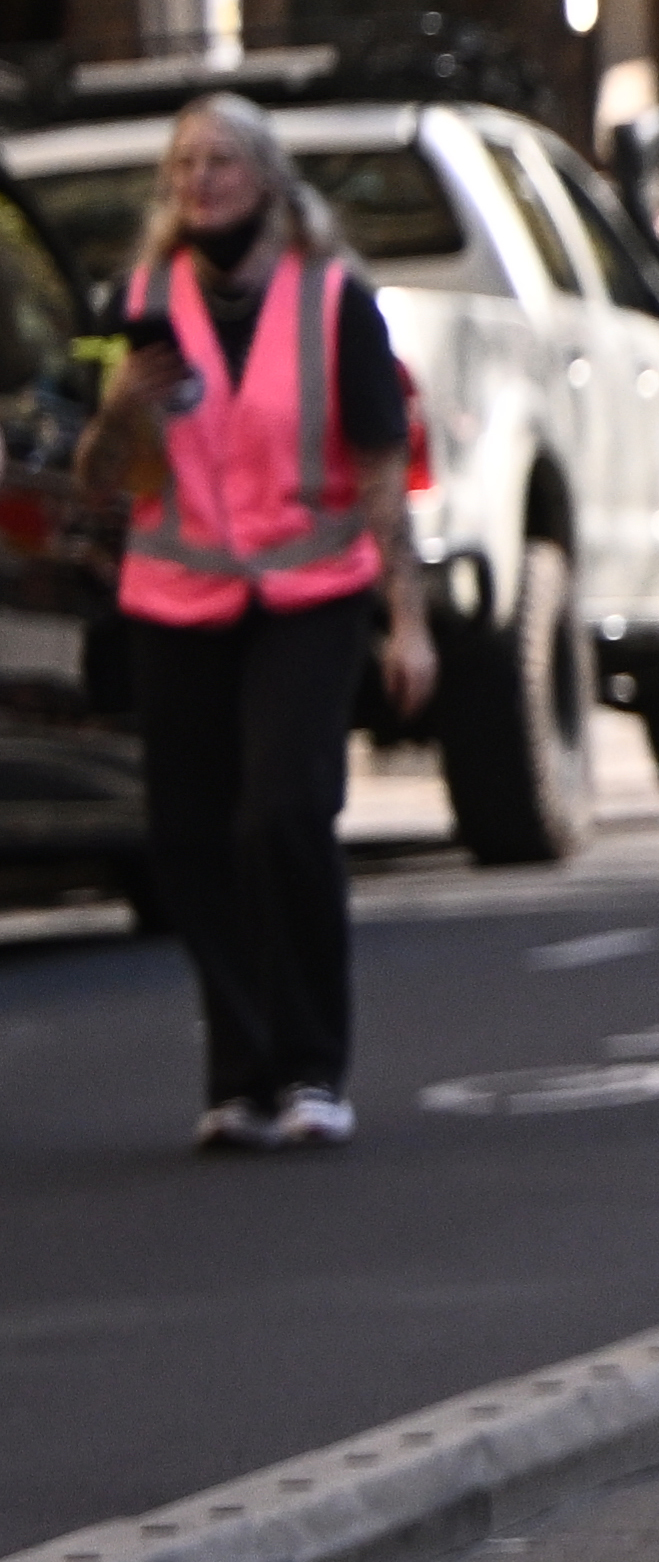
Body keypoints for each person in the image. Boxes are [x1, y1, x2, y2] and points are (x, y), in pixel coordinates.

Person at [109, 95, 426, 1149]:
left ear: (268, 177)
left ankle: (311, 1067)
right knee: (188, 840)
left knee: (283, 817)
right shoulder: (142, 299)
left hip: (309, 592)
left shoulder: (333, 299)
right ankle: (242, 1075)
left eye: (221, 160)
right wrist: (120, 408)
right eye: (184, 163)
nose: (200, 179)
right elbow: (105, 477)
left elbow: (380, 469)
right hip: (176, 599)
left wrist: (408, 620)